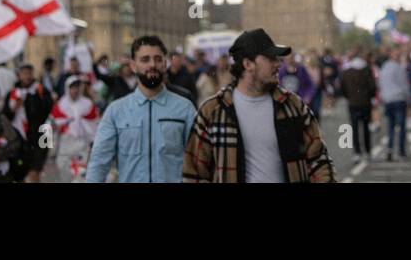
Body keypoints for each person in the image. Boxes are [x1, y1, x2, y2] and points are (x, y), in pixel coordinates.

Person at [183, 29, 334, 183]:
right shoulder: (212, 112)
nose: (278, 63)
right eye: (271, 58)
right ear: (248, 64)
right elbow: (194, 172)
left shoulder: (293, 105)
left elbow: (319, 161)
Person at [86, 35, 197, 183]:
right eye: (145, 60)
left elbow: (200, 160)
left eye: (158, 59)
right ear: (133, 65)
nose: (152, 64)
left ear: (165, 64)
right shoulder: (116, 111)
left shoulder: (184, 109)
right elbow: (99, 162)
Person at [3, 63, 53, 182]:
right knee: (19, 174)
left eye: (30, 73)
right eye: (24, 73)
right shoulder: (12, 94)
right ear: (19, 75)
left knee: (34, 173)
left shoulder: (40, 90)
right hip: (18, 141)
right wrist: (14, 109)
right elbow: (5, 117)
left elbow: (48, 111)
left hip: (38, 138)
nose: (28, 76)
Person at [50, 76, 100, 182]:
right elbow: (53, 126)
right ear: (67, 88)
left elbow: (94, 124)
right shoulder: (60, 105)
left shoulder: (87, 104)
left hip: (81, 145)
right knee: (65, 175)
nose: (75, 90)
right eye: (72, 87)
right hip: (65, 145)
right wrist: (52, 149)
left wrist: (94, 142)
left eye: (77, 87)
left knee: (80, 176)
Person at [340, 48, 375, 160]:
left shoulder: (346, 71)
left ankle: (357, 152)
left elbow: (342, 88)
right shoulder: (367, 70)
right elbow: (372, 87)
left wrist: (349, 97)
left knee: (354, 128)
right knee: (365, 128)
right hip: (365, 103)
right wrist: (369, 96)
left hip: (352, 103)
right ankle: (368, 151)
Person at [378, 46, 410, 161]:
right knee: (401, 127)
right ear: (391, 55)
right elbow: (404, 84)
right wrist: (408, 98)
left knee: (391, 126)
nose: (398, 56)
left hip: (388, 100)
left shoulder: (384, 67)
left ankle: (390, 150)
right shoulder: (399, 68)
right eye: (397, 54)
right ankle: (401, 151)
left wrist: (383, 97)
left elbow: (380, 84)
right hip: (399, 99)